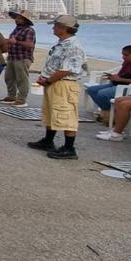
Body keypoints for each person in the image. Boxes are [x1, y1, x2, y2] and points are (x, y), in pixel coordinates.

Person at [27, 15, 87, 160]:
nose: (53, 28)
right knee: (51, 112)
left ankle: (69, 147)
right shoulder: (62, 43)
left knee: (66, 114)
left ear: (64, 29)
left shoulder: (73, 46)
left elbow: (66, 70)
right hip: (54, 82)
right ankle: (48, 140)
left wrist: (48, 80)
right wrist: (46, 78)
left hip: (64, 84)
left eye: (56, 26)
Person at [85, 45, 131, 122]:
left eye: (126, 55)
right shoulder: (127, 62)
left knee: (103, 93)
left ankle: (111, 114)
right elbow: (121, 75)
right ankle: (109, 111)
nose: (123, 57)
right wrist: (113, 77)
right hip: (120, 84)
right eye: (122, 55)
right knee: (92, 90)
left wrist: (121, 79)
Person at [3, 10, 36, 106]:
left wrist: (15, 42)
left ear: (25, 20)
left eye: (19, 18)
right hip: (12, 57)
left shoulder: (29, 30)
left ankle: (21, 99)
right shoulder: (17, 29)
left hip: (22, 58)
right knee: (9, 78)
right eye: (17, 17)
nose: (17, 20)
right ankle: (11, 96)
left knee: (22, 79)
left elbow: (30, 44)